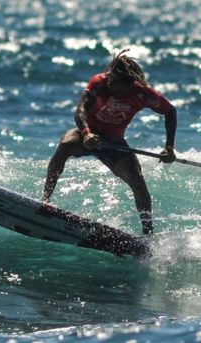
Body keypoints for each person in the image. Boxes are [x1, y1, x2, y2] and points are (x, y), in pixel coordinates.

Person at [41, 49, 177, 235]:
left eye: (115, 83)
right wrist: (87, 133)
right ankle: (44, 201)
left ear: (129, 84)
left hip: (114, 142)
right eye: (110, 79)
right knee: (65, 144)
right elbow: (80, 110)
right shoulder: (99, 82)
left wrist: (169, 147)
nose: (110, 83)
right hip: (88, 135)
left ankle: (148, 232)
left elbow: (170, 111)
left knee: (137, 181)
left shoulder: (142, 94)